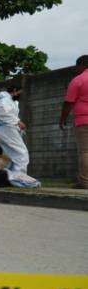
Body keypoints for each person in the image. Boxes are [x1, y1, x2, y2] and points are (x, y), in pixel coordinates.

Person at [59, 55, 88, 189]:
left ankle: (85, 182)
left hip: (83, 120)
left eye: (77, 66)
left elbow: (69, 102)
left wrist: (63, 118)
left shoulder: (78, 80)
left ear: (82, 65)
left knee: (85, 152)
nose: (76, 69)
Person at [0, 84, 30, 175]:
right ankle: (19, 176)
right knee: (21, 153)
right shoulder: (5, 100)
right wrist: (18, 122)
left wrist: (17, 124)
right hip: (6, 129)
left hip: (5, 130)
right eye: (20, 92)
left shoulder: (8, 101)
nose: (21, 95)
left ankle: (6, 176)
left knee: (9, 155)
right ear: (15, 90)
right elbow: (4, 113)